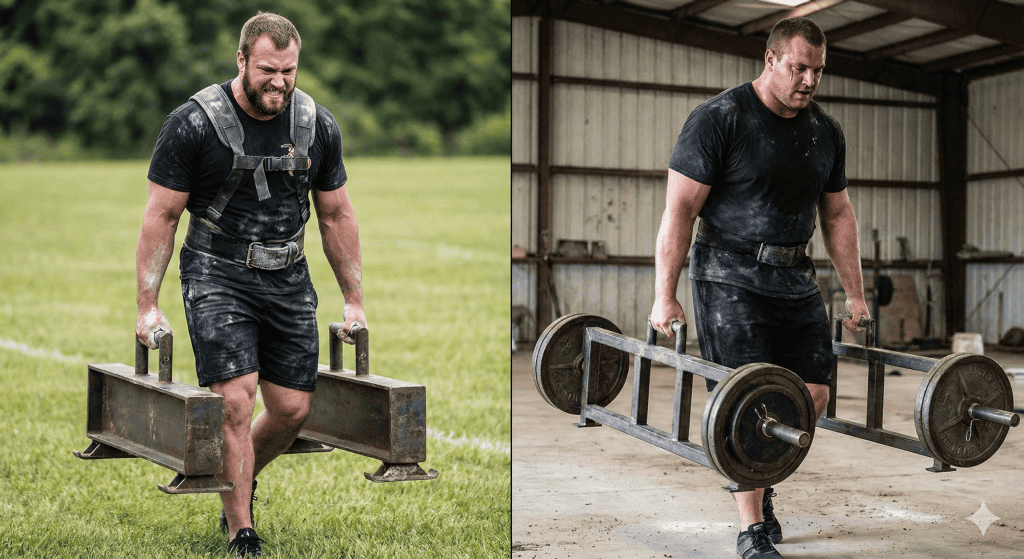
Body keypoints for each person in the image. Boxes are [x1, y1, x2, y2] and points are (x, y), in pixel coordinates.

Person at [135, 12, 365, 559]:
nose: (279, 82)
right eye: (267, 69)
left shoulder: (316, 124)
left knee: (291, 409)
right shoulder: (193, 124)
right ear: (240, 61)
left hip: (287, 275)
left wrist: (354, 298)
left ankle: (236, 478)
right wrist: (148, 305)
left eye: (288, 70)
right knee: (236, 402)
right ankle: (242, 531)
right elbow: (161, 217)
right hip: (217, 273)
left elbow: (335, 215)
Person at [649, 17, 870, 559]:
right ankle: (751, 527)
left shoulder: (826, 131)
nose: (810, 80)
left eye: (819, 70)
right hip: (728, 274)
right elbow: (680, 211)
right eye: (800, 68)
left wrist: (857, 295)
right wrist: (664, 293)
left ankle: (760, 476)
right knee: (745, 401)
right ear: (770, 59)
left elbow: (838, 215)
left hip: (795, 277)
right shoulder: (718, 119)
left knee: (811, 394)